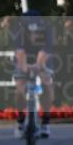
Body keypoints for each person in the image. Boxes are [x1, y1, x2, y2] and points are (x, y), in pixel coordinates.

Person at [12, 9, 55, 138]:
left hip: (43, 57)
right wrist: (25, 69)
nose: (33, 33)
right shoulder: (18, 30)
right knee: (19, 88)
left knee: (47, 85)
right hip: (24, 57)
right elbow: (19, 52)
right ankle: (20, 120)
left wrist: (38, 65)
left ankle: (45, 122)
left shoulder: (47, 29)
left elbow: (46, 50)